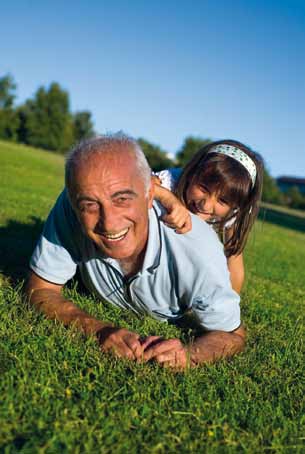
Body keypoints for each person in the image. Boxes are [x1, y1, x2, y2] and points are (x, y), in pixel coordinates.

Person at [26, 133, 246, 369]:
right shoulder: (71, 204)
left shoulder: (201, 252)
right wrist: (97, 329)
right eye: (90, 205)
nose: (109, 224)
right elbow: (40, 289)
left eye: (122, 199)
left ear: (149, 194)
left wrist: (189, 354)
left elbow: (233, 334)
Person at [153, 140, 264, 293]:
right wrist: (169, 199)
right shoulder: (172, 180)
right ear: (191, 174)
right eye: (204, 189)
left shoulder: (231, 214)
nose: (205, 205)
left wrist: (228, 305)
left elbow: (234, 260)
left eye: (222, 200)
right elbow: (137, 184)